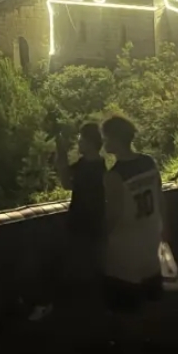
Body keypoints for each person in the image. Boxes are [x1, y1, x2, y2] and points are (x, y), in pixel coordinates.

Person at [28, 122, 106, 320]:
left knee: (58, 262)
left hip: (85, 223)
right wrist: (61, 155)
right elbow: (67, 183)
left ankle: (48, 304)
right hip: (84, 222)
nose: (78, 143)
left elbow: (68, 182)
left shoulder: (95, 168)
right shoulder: (90, 164)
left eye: (81, 139)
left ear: (89, 142)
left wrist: (62, 156)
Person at [101, 115, 165, 313]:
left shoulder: (114, 176)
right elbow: (160, 198)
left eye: (106, 138)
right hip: (151, 239)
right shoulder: (149, 163)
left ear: (115, 139)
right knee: (152, 300)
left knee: (127, 309)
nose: (104, 142)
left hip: (125, 250)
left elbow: (114, 214)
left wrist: (101, 240)